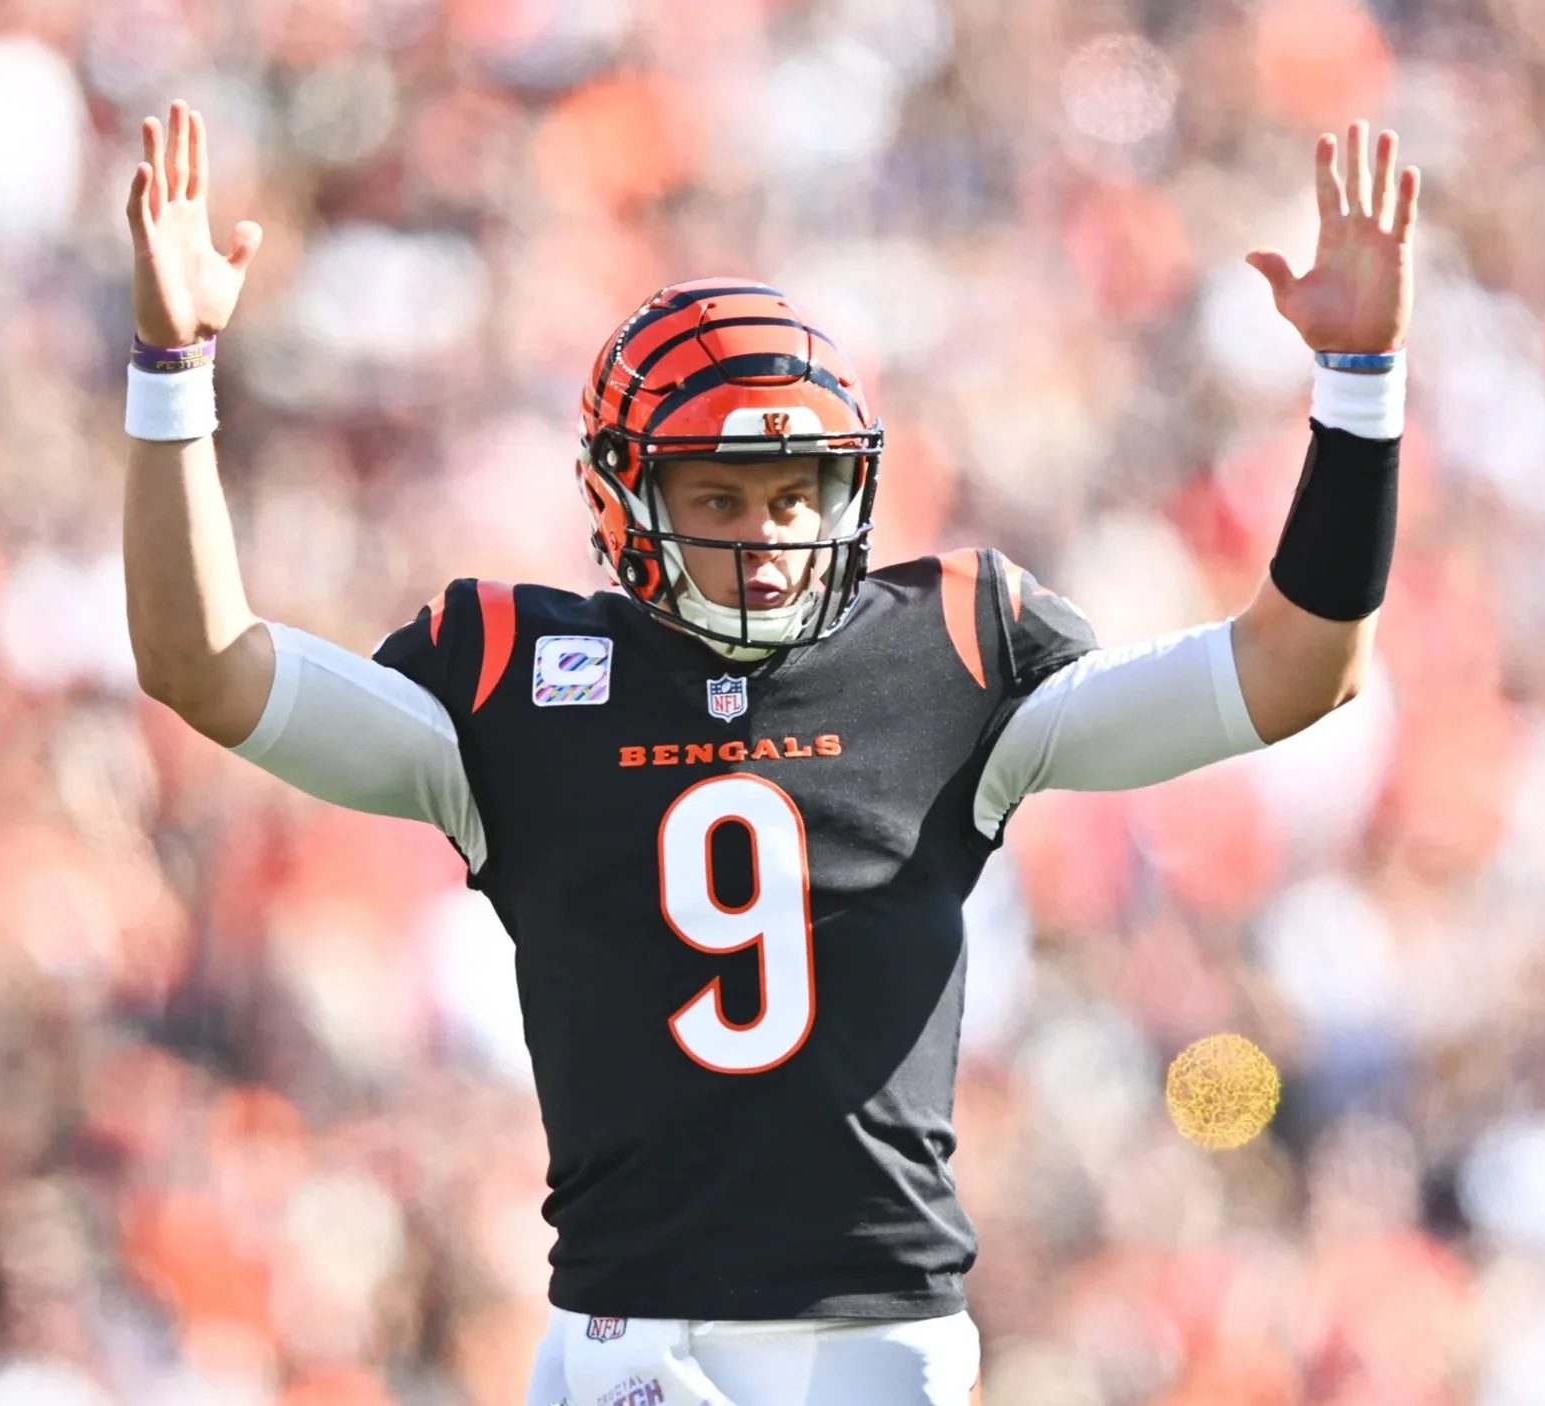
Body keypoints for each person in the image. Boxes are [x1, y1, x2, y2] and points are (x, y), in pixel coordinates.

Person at [121, 100, 1419, 1406]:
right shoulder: (513, 672)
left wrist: (1359, 391)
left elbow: (1295, 670)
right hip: (627, 1326)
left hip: (876, 1335)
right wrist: (171, 374)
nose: (770, 534)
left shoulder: (948, 650)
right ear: (625, 498)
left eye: (796, 492)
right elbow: (206, 666)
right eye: (720, 497)